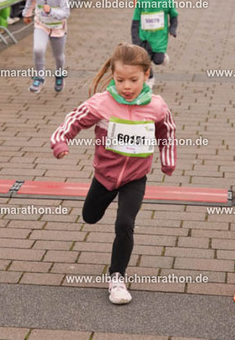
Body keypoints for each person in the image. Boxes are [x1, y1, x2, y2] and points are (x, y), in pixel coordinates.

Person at [50, 42, 177, 304]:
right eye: (120, 80)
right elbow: (73, 120)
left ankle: (117, 277)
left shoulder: (157, 106)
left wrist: (168, 160)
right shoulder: (102, 103)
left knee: (124, 224)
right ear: (113, 76)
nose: (126, 87)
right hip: (104, 177)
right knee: (90, 217)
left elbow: (167, 133)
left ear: (146, 75)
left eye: (133, 80)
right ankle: (98, 207)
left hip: (135, 178)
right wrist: (61, 141)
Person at [23, 0, 70, 93]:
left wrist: (52, 11)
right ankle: (39, 77)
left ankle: (59, 74)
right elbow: (31, 0)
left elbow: (66, 12)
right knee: (38, 50)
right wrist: (27, 14)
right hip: (41, 24)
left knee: (58, 56)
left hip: (57, 27)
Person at [131, 0, 178, 89]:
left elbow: (174, 16)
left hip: (160, 38)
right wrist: (135, 38)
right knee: (145, 60)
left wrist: (172, 29)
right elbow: (135, 20)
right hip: (144, 37)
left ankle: (163, 58)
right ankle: (150, 78)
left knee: (157, 60)